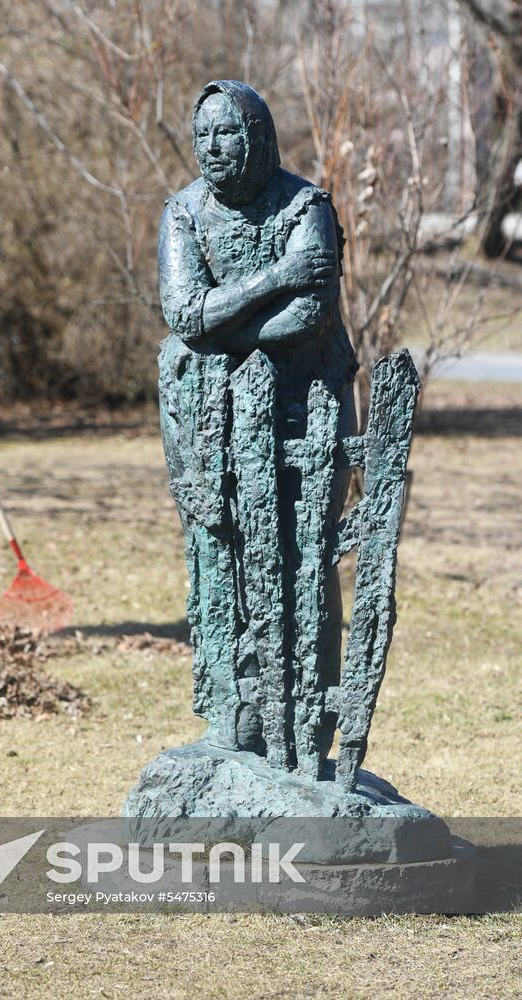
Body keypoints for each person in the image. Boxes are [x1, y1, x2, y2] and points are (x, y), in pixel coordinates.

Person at [157, 81, 358, 776]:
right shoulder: (183, 212)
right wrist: (278, 275)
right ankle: (231, 717)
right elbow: (183, 315)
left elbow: (312, 318)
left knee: (304, 560)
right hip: (208, 414)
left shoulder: (307, 208)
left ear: (259, 138)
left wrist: (222, 327)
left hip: (305, 404)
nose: (213, 149)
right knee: (221, 556)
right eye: (203, 135)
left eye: (228, 135)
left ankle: (306, 722)